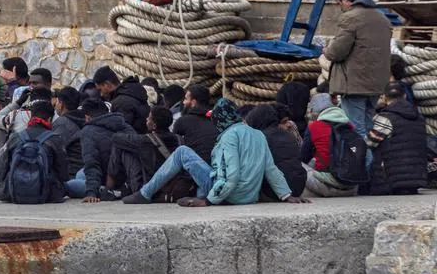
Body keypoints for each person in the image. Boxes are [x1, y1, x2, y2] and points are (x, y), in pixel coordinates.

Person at [122, 98, 306, 206]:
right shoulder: (257, 134)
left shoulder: (229, 136)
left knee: (182, 152)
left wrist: (209, 201)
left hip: (231, 195)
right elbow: (270, 168)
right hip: (249, 196)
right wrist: (287, 195)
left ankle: (145, 194)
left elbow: (231, 174)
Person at [324, 0, 392, 136]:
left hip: (354, 84)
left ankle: (361, 161)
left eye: (338, 3)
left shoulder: (350, 18)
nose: (340, 7)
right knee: (368, 126)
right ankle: (371, 160)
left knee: (355, 130)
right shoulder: (383, 19)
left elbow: (337, 52)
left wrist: (327, 50)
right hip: (376, 84)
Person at [0, 100, 68, 203]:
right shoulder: (55, 139)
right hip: (48, 195)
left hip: (14, 193)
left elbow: (1, 171)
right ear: (49, 119)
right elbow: (63, 174)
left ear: (31, 116)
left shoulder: (16, 137)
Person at [103, 106, 180, 200]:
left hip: (148, 188)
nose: (146, 119)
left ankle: (109, 188)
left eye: (149, 118)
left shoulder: (146, 141)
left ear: (154, 125)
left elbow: (116, 138)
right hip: (173, 184)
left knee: (120, 146)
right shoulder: (178, 139)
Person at [367, 82, 428, 195]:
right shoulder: (419, 117)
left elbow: (370, 142)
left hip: (391, 181)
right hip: (418, 178)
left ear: (384, 97)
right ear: (404, 96)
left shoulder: (386, 117)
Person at [70, 98, 134, 202]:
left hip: (110, 181)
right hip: (130, 179)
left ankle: (103, 189)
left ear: (87, 117)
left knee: (68, 185)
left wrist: (92, 192)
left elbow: (92, 163)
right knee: (80, 174)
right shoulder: (124, 125)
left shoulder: (88, 132)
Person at [300, 93, 359, 198]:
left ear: (314, 111)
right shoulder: (349, 125)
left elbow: (303, 157)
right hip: (353, 185)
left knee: (297, 164)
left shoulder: (314, 127)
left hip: (328, 187)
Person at [245, 104, 306, 200]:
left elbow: (268, 169)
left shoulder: (261, 137)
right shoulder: (289, 135)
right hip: (298, 187)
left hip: (275, 191)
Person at [92, 66, 149, 134]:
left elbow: (122, 134)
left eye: (100, 90)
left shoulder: (120, 103)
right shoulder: (133, 91)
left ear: (107, 84)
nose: (101, 94)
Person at [172, 84, 217, 163]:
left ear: (193, 102)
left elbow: (173, 145)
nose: (184, 102)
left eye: (186, 99)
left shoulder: (182, 121)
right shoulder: (218, 120)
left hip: (195, 169)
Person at [51, 86, 84, 179]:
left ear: (61, 104)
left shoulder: (63, 124)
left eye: (57, 102)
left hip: (70, 175)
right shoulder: (83, 119)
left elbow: (53, 149)